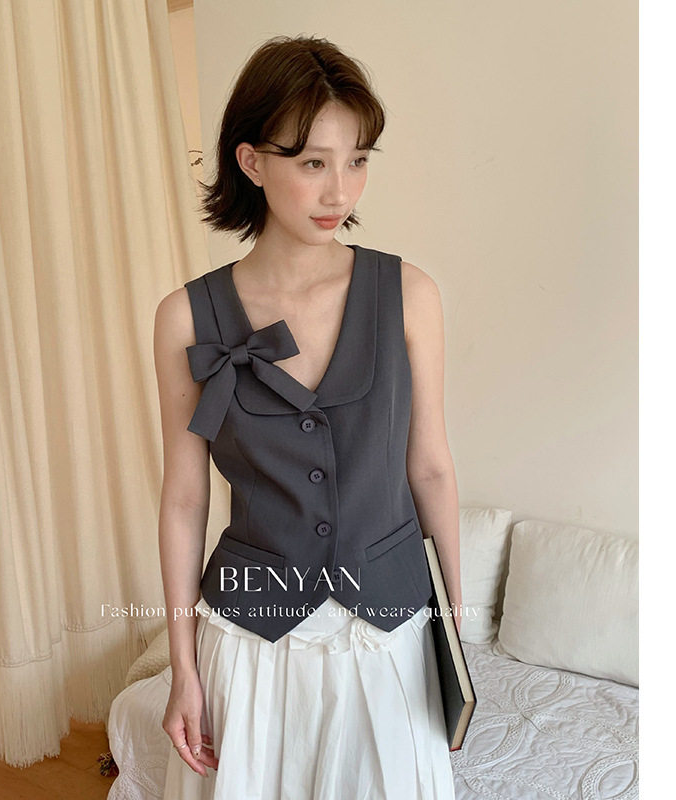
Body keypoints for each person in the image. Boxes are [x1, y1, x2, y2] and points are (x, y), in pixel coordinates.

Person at [153, 34, 461, 799]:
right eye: (314, 163)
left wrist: (454, 634)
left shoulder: (410, 295)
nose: (340, 191)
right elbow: (185, 498)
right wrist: (183, 668)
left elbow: (429, 468)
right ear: (252, 162)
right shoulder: (185, 317)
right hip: (250, 643)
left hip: (390, 638)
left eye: (357, 161)